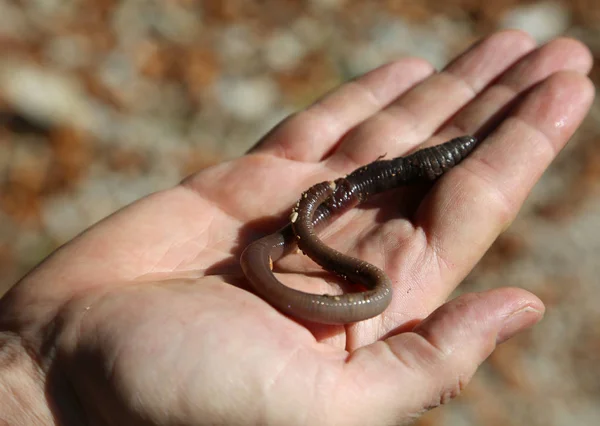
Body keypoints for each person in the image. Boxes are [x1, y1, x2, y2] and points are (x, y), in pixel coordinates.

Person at [0, 30, 594, 425]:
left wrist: (34, 377)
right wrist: (36, 381)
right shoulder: (292, 238)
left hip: (344, 204)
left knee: (364, 191)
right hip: (327, 217)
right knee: (355, 202)